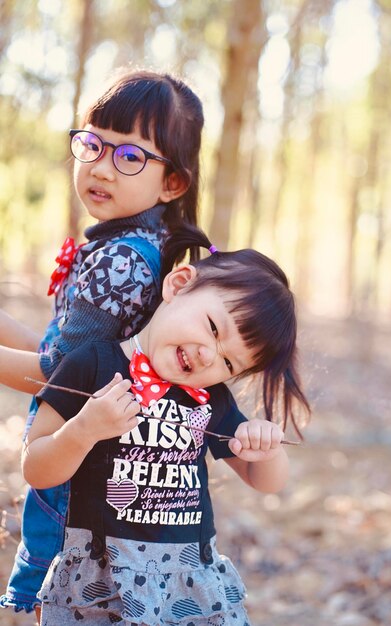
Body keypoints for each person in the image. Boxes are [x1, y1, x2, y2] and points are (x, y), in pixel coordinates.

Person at [21, 224, 310, 625]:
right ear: (178, 284)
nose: (210, 357)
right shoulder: (93, 365)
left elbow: (265, 481)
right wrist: (83, 431)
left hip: (187, 575)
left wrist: (266, 448)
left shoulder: (209, 398)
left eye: (229, 363)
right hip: (103, 576)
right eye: (213, 328)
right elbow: (35, 466)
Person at [0, 68, 204, 618]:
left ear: (173, 183)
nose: (101, 166)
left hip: (83, 466)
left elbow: (57, 376)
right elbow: (63, 353)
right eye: (92, 143)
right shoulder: (131, 244)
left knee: (63, 597)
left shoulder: (119, 261)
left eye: (130, 156)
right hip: (96, 461)